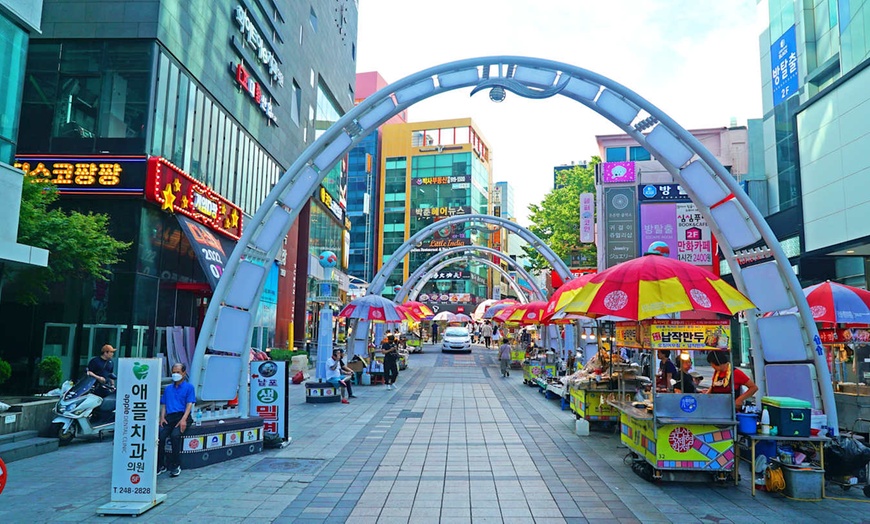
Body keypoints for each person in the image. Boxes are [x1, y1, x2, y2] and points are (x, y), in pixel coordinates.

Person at [158, 363, 196, 477]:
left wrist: (184, 419)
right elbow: (164, 404)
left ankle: (175, 465)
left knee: (175, 436)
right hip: (170, 417)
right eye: (174, 372)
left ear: (184, 373)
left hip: (183, 416)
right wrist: (162, 417)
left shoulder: (189, 387)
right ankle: (161, 465)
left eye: (178, 372)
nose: (175, 374)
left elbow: (189, 404)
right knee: (160, 437)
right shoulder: (168, 389)